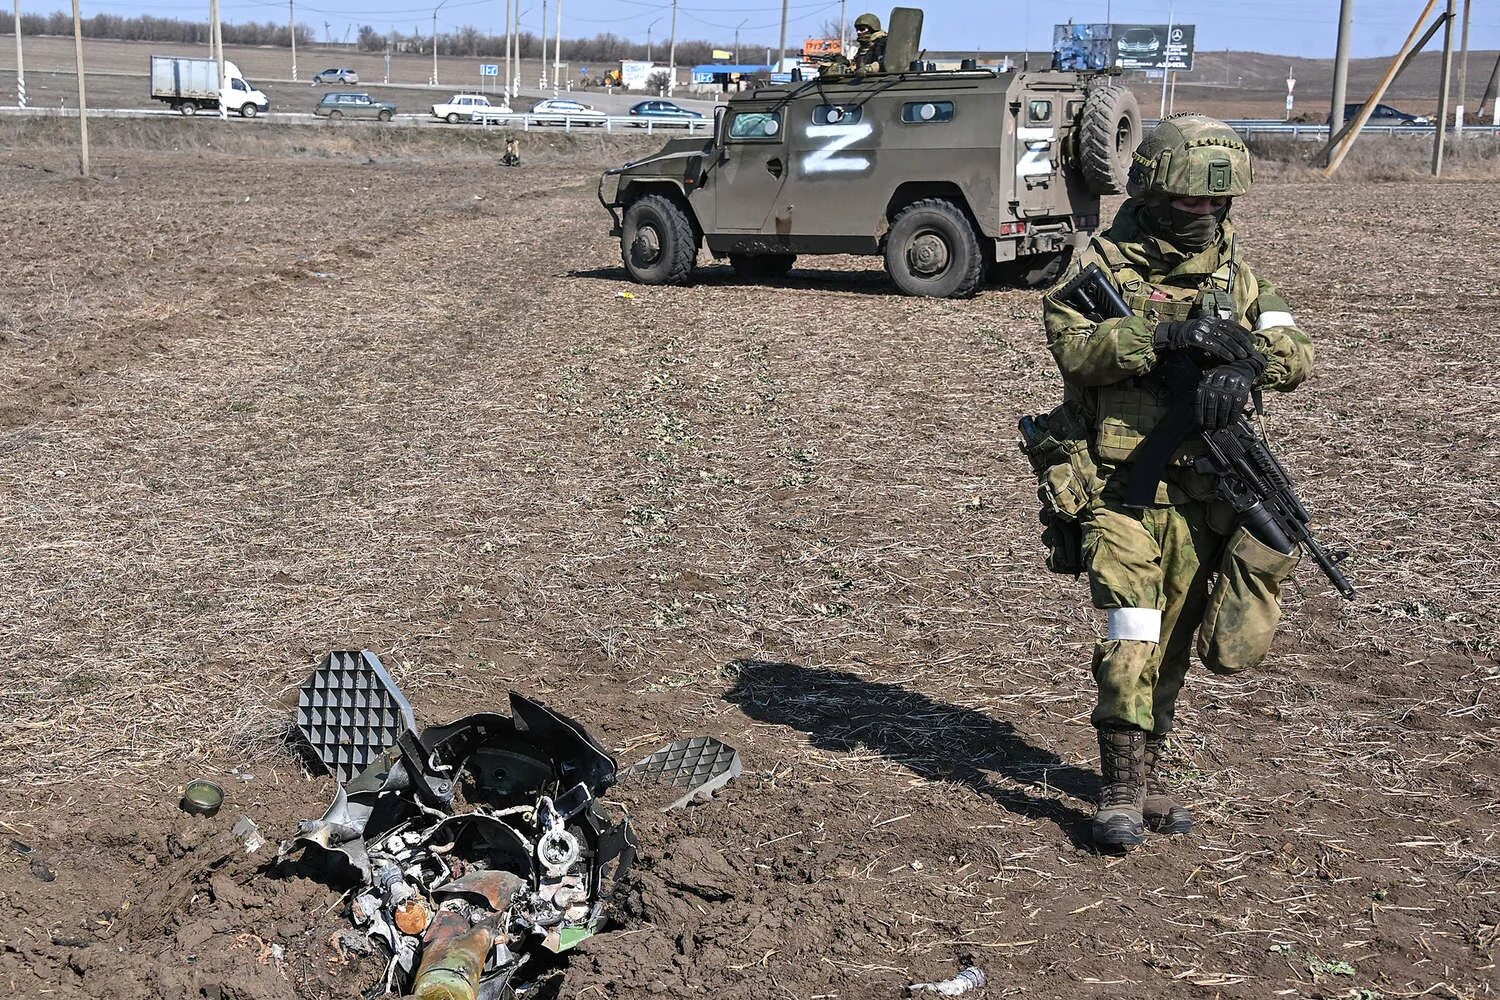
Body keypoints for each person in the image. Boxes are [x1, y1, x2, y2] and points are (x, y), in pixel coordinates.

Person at [1037, 114, 1315, 850]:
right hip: (1121, 489)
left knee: (1179, 643)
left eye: (1216, 206)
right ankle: (1120, 791)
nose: (1204, 217)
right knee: (1134, 633)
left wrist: (1247, 359)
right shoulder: (1099, 266)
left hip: (1204, 498)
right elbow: (1074, 347)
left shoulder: (1240, 276)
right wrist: (1163, 336)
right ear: (1155, 196)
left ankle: (1148, 772)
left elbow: (1297, 347)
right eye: (1190, 204)